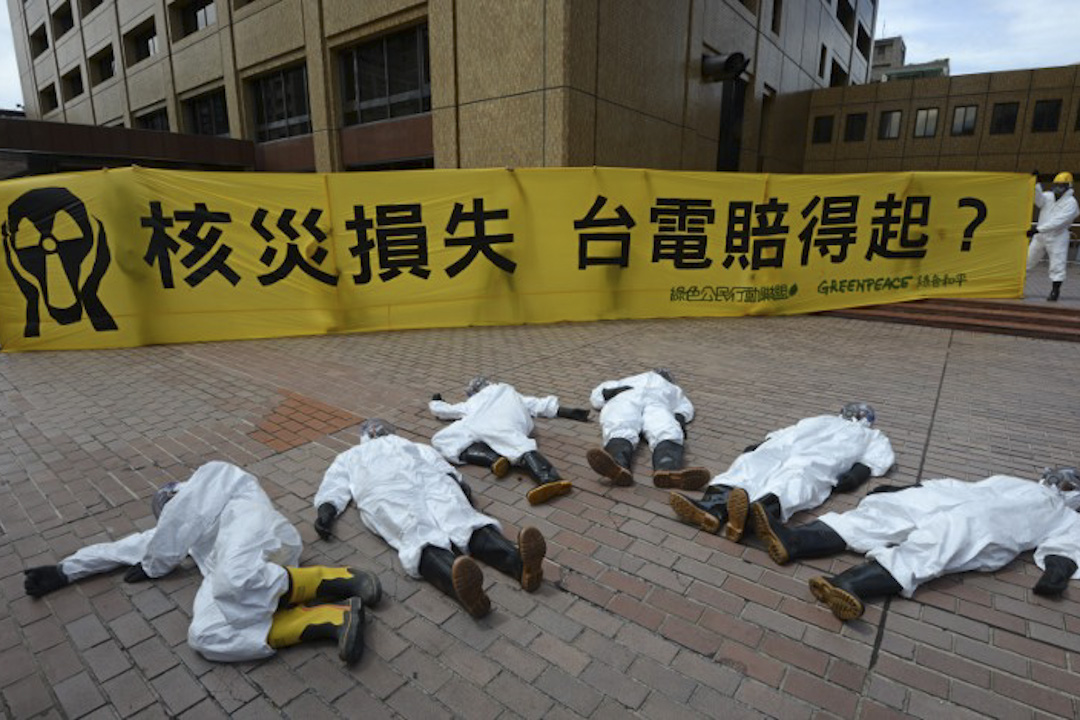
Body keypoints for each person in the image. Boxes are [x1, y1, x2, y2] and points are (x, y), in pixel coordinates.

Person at [22, 461, 381, 664]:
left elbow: (178, 523)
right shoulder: (179, 538)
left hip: (257, 535)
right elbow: (121, 548)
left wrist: (156, 562)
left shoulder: (217, 479)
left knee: (231, 577)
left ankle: (332, 578)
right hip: (230, 573)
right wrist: (65, 569)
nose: (167, 510)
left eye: (169, 505)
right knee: (204, 636)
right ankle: (329, 617)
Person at [752, 468, 1080, 622]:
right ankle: (793, 540)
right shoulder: (1014, 481)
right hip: (947, 499)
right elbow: (964, 482)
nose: (1060, 482)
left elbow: (1065, 549)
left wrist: (1055, 575)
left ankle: (848, 585)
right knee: (878, 516)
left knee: (928, 549)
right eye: (1060, 476)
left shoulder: (1068, 516)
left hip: (988, 526)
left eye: (1069, 482)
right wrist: (911, 487)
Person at [313, 419, 547, 619]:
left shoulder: (411, 445)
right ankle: (464, 589)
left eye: (379, 425)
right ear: (366, 434)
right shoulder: (350, 456)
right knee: (418, 534)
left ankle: (521, 564)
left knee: (463, 521)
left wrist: (457, 483)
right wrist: (327, 507)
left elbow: (438, 463)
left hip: (429, 482)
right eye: (373, 427)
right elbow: (335, 483)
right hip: (385, 491)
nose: (376, 429)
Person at [669, 402, 894, 543]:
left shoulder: (872, 436)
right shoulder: (824, 418)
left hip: (821, 458)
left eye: (859, 412)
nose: (854, 413)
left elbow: (877, 457)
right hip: (783, 447)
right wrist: (763, 442)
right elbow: (792, 429)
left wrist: (858, 474)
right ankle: (711, 508)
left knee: (795, 479)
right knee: (750, 465)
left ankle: (752, 516)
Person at [428, 376, 590, 505]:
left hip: (477, 422)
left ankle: (494, 458)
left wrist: (436, 402)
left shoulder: (472, 401)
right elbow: (538, 405)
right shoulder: (509, 391)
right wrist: (570, 412)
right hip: (508, 422)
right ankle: (547, 477)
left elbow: (446, 411)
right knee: (515, 444)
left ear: (473, 392)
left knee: (442, 439)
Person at [585, 368, 710, 489]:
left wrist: (679, 416)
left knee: (666, 428)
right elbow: (597, 394)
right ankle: (617, 465)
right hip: (627, 398)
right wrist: (609, 393)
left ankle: (667, 470)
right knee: (621, 422)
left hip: (655, 403)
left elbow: (685, 406)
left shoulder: (673, 388)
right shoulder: (628, 381)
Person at [1027, 170, 1079, 301]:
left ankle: (1055, 291)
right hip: (1040, 237)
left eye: (1062, 185)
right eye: (1057, 184)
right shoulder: (1048, 196)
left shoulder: (1071, 203)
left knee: (1057, 264)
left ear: (1069, 186)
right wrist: (1036, 183)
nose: (1059, 187)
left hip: (1058, 237)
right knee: (1028, 261)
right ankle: (1015, 286)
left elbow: (1059, 221)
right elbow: (1038, 200)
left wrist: (1039, 229)